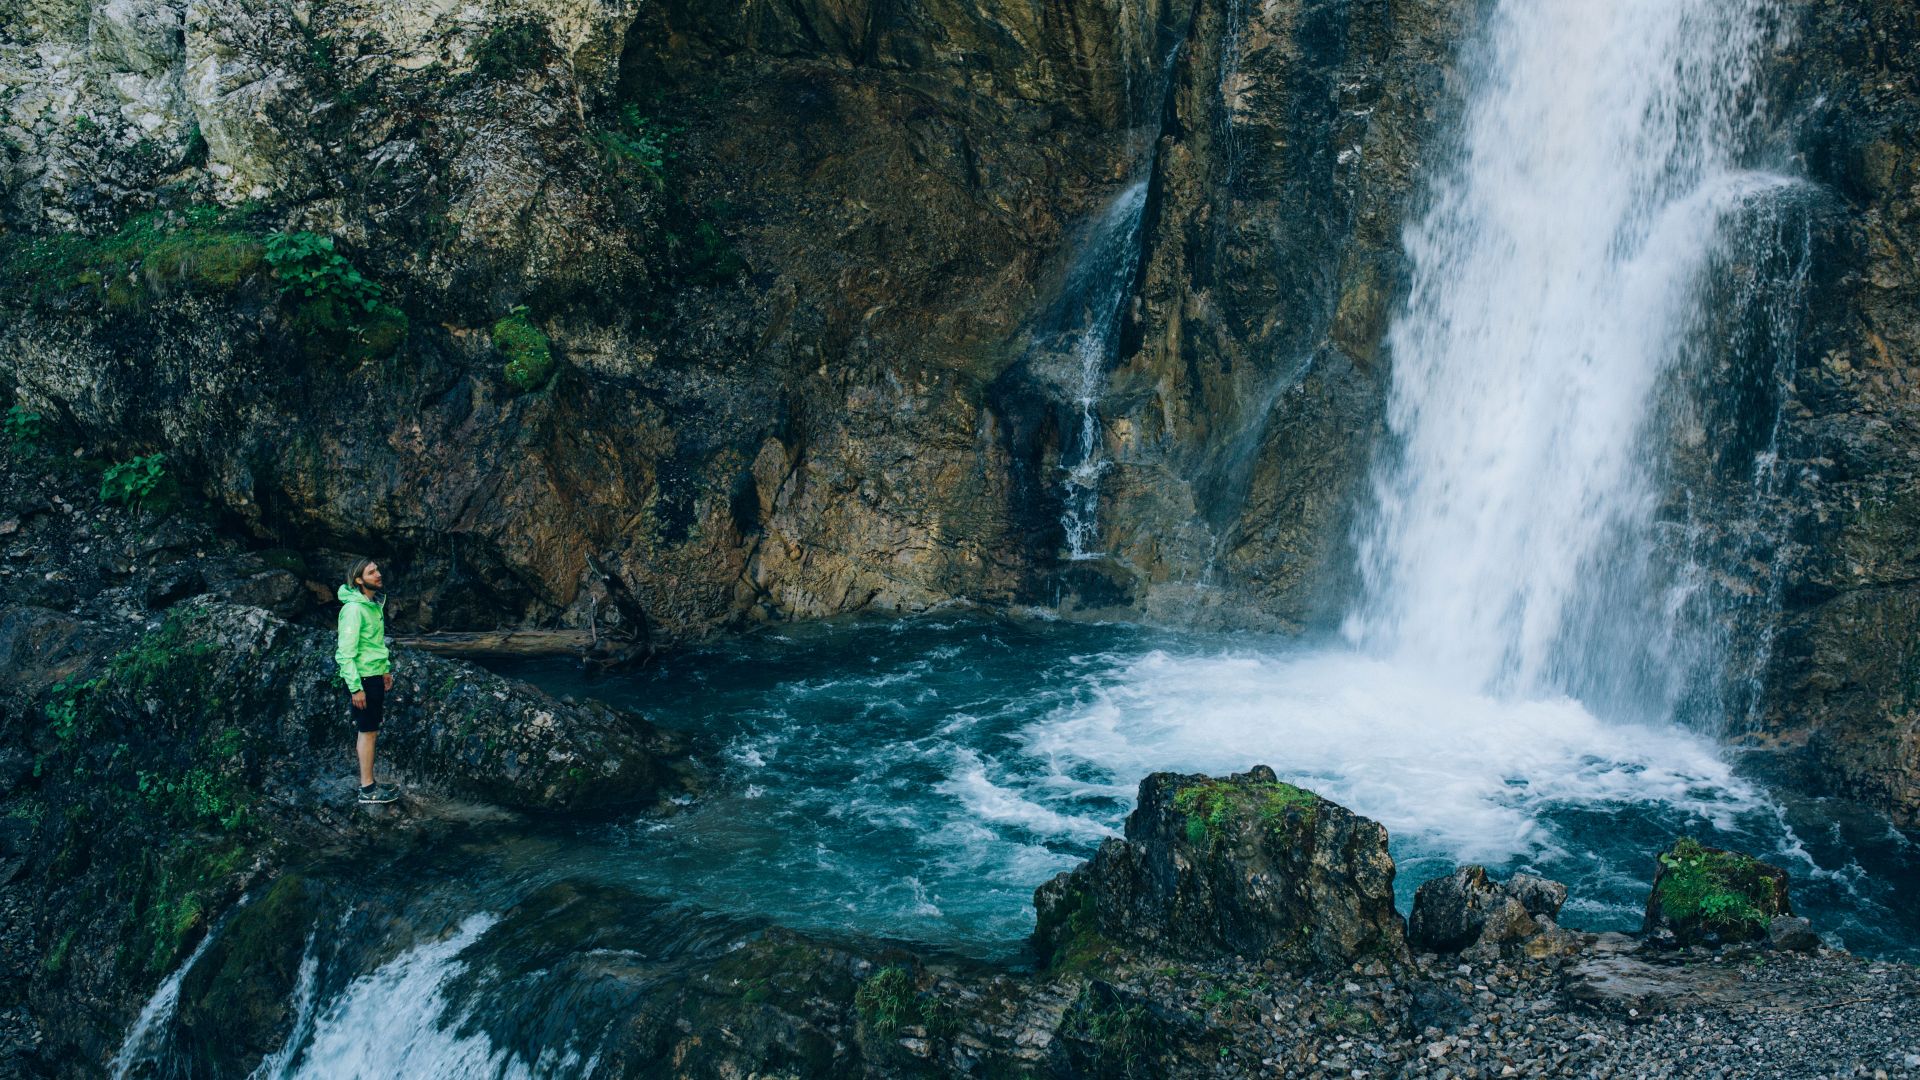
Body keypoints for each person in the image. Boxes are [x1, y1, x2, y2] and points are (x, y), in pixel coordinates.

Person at [337, 559, 400, 804]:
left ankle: (370, 784)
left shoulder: (371, 605)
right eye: (371, 572)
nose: (378, 574)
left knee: (371, 730)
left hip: (372, 675)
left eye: (377, 570)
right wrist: (356, 688)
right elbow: (345, 653)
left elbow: (373, 643)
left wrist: (384, 670)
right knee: (367, 732)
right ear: (359, 580)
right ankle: (367, 790)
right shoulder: (354, 610)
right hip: (362, 678)